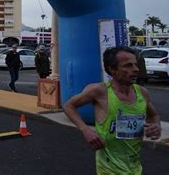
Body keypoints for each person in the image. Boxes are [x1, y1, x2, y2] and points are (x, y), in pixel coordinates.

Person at [64, 46, 161, 174]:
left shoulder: (142, 92)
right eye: (128, 66)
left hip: (135, 167)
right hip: (108, 169)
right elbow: (69, 106)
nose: (136, 69)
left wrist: (156, 125)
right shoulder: (99, 91)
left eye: (135, 65)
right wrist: (86, 130)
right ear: (112, 69)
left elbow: (154, 116)